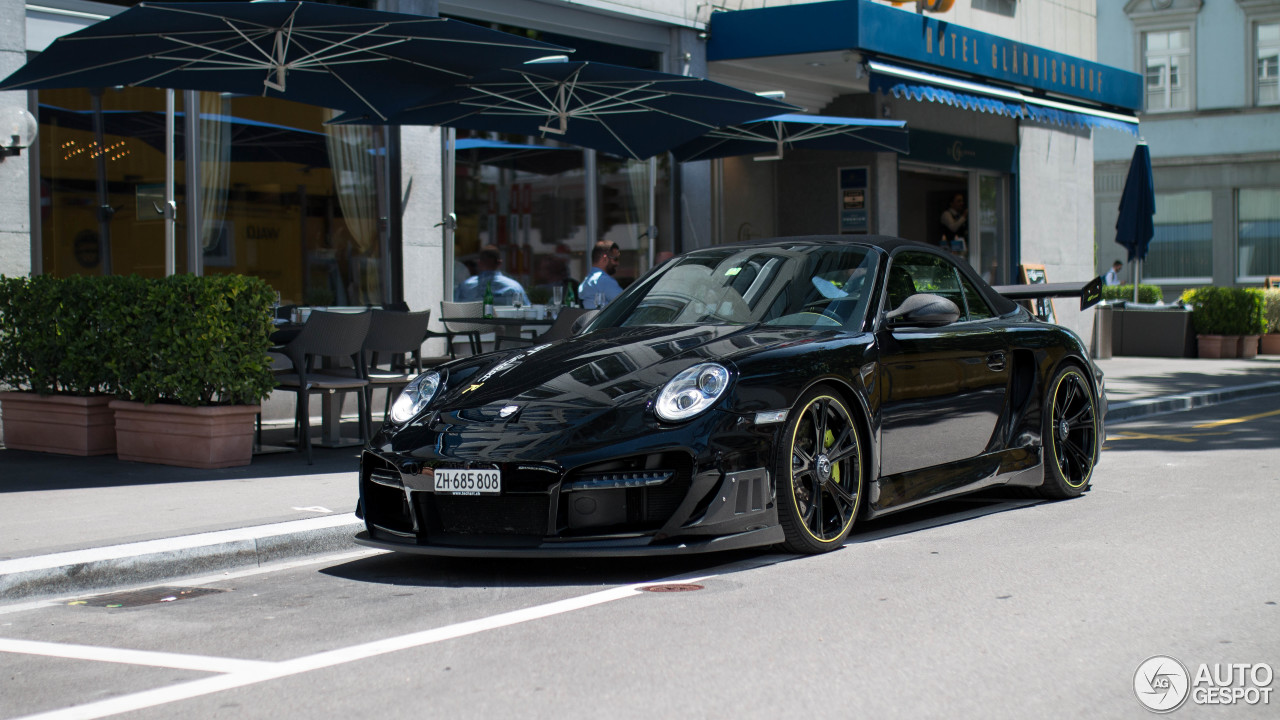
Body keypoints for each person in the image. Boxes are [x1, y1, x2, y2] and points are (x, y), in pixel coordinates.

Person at [454, 246, 530, 305]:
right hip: (503, 325)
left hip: (471, 325)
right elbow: (526, 310)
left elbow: (454, 308)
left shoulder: (465, 286)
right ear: (499, 263)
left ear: (479, 263)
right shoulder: (514, 287)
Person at [579, 243, 623, 308]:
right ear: (604, 259)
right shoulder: (604, 280)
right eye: (615, 259)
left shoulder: (586, 281)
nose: (617, 263)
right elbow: (627, 302)